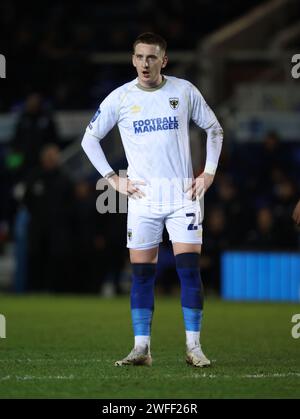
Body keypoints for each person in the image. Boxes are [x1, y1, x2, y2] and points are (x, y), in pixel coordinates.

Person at [81, 32, 223, 367]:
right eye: (140, 57)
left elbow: (214, 129)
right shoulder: (120, 97)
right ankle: (141, 348)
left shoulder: (184, 91)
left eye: (152, 57)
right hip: (142, 200)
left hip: (182, 196)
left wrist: (209, 173)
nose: (145, 63)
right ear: (133, 60)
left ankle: (194, 347)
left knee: (189, 271)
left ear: (164, 60)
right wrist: (112, 179)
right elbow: (90, 139)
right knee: (142, 274)